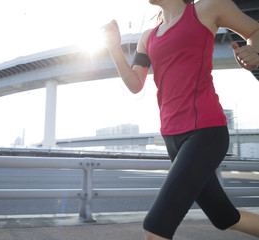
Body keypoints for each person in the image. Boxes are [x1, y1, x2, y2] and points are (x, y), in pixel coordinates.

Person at [102, 0, 259, 239]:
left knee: (155, 227)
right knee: (224, 217)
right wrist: (114, 46)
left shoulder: (207, 9)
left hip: (205, 131)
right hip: (172, 137)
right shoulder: (148, 36)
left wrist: (255, 50)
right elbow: (135, 84)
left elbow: (255, 31)